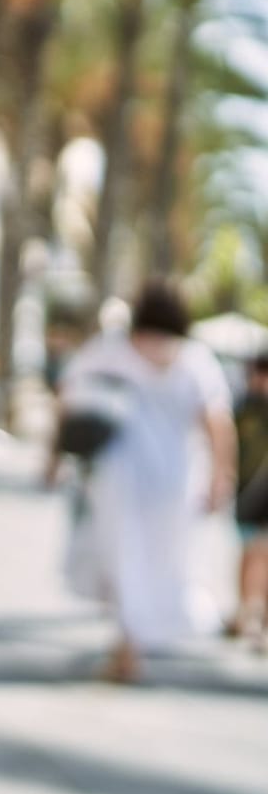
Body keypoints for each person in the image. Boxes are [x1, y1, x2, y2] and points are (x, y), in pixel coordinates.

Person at [48, 281, 236, 684]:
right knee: (154, 563)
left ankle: (130, 642)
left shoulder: (114, 349)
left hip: (122, 478)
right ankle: (132, 642)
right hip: (173, 481)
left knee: (125, 558)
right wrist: (223, 477)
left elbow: (67, 396)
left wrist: (52, 457)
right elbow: (218, 424)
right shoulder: (194, 358)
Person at [230, 352, 268, 648]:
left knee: (258, 552)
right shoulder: (243, 408)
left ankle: (254, 614)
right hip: (247, 493)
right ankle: (247, 612)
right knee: (250, 552)